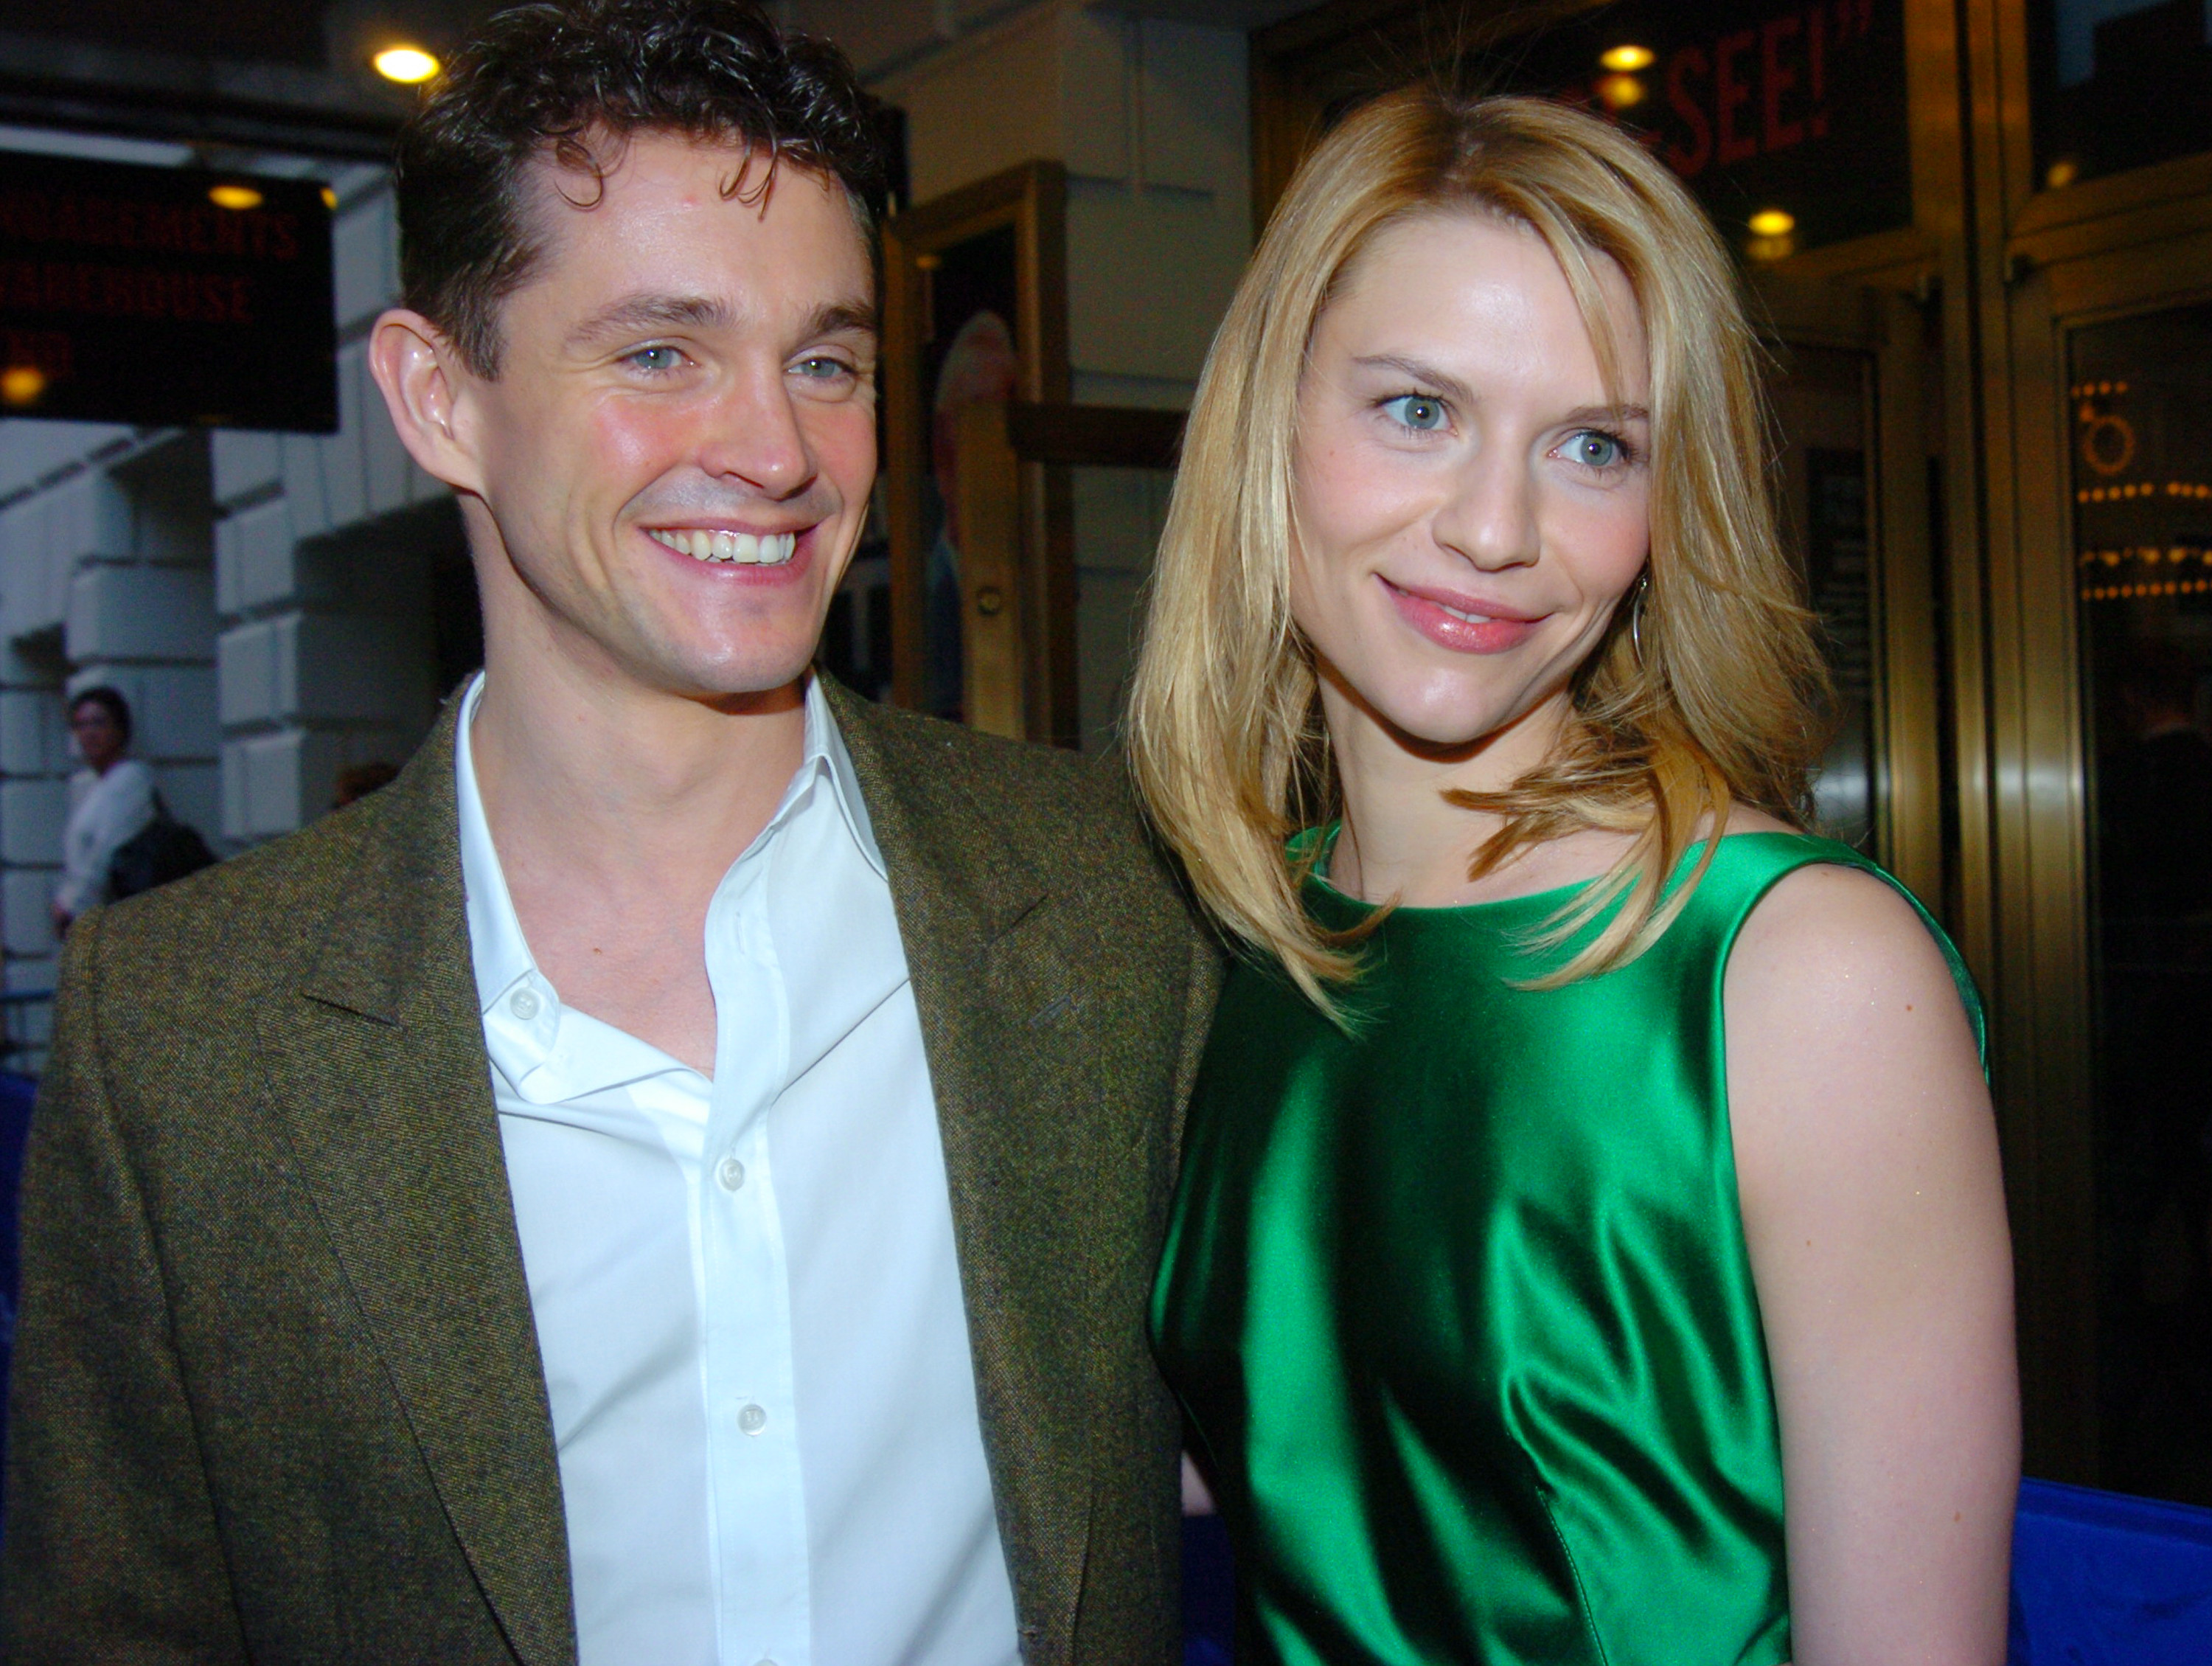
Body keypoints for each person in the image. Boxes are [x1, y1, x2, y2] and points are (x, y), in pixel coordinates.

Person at [3, 4, 1215, 1663]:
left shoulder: (1110, 894)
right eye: (661, 352)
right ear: (438, 398)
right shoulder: (178, 1033)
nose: (780, 448)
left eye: (828, 359)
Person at [1128, 89, 2018, 1665]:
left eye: (1594, 445)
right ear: (1270, 421)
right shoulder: (1232, 935)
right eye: (1417, 409)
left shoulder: (1799, 977)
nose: (1493, 525)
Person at [49, 685, 155, 937]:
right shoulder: (99, 787)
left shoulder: (129, 780)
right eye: (81, 725)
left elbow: (104, 854)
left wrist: (70, 906)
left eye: (98, 722)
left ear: (119, 729)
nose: (89, 733)